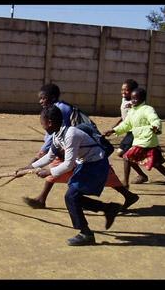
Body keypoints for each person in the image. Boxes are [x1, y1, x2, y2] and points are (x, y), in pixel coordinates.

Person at [23, 83, 139, 211]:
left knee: (92, 170)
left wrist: (37, 158)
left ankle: (43, 199)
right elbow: (54, 137)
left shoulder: (59, 110)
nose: (40, 101)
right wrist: (31, 166)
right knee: (97, 172)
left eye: (43, 98)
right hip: (77, 145)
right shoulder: (55, 108)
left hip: (86, 145)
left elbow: (56, 136)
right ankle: (42, 198)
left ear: (53, 96)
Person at [18, 105, 122, 246]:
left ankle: (86, 234)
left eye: (41, 122)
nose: (41, 125)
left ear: (49, 122)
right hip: (86, 164)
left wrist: (48, 172)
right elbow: (49, 156)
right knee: (74, 198)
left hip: (95, 165)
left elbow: (68, 164)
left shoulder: (70, 134)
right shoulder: (58, 135)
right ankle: (108, 209)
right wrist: (29, 167)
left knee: (71, 197)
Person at [103, 87, 165, 194]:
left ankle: (125, 183)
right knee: (156, 164)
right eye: (132, 98)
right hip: (140, 141)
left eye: (136, 99)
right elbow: (126, 125)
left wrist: (156, 126)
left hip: (147, 141)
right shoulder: (132, 111)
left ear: (142, 99)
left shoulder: (147, 109)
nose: (133, 101)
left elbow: (154, 119)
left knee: (126, 157)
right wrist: (113, 130)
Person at [112, 79, 149, 187]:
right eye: (122, 89)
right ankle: (142, 175)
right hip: (128, 132)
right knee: (124, 155)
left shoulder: (136, 104)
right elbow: (124, 116)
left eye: (126, 90)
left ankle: (126, 182)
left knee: (124, 155)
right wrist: (115, 126)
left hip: (135, 132)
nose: (123, 92)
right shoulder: (124, 99)